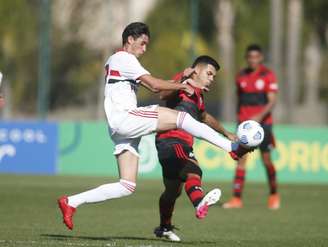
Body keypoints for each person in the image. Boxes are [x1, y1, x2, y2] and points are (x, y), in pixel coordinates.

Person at [57, 22, 251, 231]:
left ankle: (71, 202)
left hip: (118, 126)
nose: (145, 48)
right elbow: (155, 85)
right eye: (143, 43)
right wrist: (183, 84)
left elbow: (160, 86)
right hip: (126, 118)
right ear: (130, 39)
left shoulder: (118, 61)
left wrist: (181, 79)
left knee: (127, 185)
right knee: (180, 118)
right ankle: (231, 149)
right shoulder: (124, 58)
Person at [154, 55, 237, 242]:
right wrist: (182, 78)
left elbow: (205, 117)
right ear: (196, 70)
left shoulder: (199, 97)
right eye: (209, 73)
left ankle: (164, 227)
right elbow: (162, 94)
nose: (211, 78)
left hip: (176, 144)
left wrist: (227, 133)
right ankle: (200, 203)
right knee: (193, 170)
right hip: (171, 139)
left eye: (214, 76)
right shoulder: (183, 84)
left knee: (173, 191)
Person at [223, 44, 280, 210]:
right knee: (240, 160)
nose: (253, 60)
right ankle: (236, 198)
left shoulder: (268, 75)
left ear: (261, 58)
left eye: (256, 57)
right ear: (247, 58)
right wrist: (239, 121)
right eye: (250, 57)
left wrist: (259, 117)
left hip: (263, 126)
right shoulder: (240, 76)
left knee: (267, 160)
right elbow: (239, 101)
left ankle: (274, 194)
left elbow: (272, 101)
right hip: (244, 126)